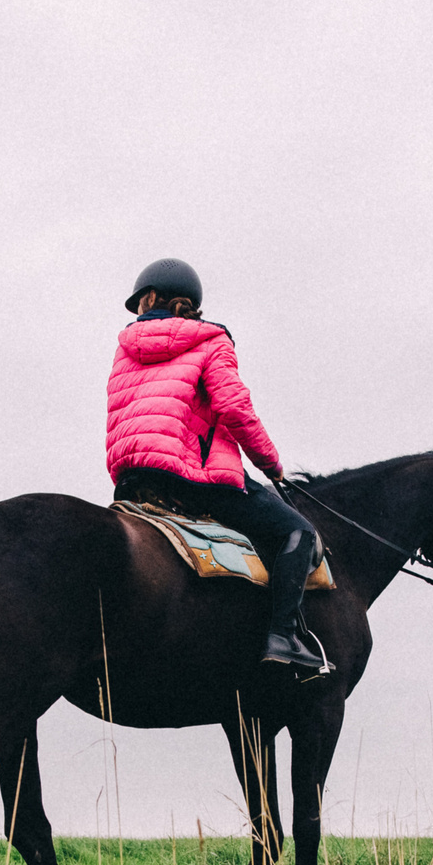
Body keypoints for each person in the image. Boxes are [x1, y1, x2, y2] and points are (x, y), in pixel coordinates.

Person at [106, 258, 328, 672]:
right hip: (189, 476)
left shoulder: (126, 348)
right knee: (298, 531)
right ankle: (284, 636)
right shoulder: (211, 340)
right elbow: (234, 409)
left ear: (150, 299)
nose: (137, 310)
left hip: (133, 477)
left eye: (140, 302)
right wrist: (270, 464)